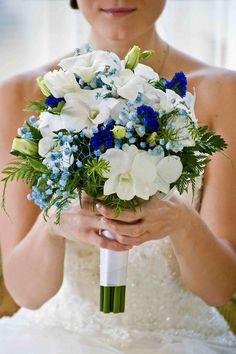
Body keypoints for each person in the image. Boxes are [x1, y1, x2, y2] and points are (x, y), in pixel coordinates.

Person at [0, 0, 236, 353]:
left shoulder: (223, 92)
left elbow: (219, 288)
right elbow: (25, 294)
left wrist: (182, 222)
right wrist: (52, 224)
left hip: (181, 338)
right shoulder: (20, 93)